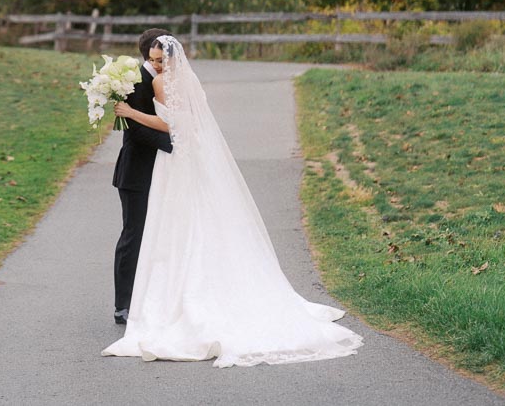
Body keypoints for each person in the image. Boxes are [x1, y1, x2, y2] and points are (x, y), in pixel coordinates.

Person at [104, 35, 363, 367]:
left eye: (159, 60)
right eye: (153, 60)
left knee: (176, 227)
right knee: (192, 223)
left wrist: (128, 112)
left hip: (176, 159)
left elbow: (172, 124)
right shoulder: (188, 79)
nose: (156, 65)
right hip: (188, 157)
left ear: (170, 59)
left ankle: (174, 297)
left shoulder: (161, 85)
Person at [111, 28, 173, 325]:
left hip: (163, 171)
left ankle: (151, 297)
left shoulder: (166, 78)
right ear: (150, 52)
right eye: (159, 57)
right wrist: (173, 145)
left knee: (160, 235)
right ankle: (123, 304)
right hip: (136, 171)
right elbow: (134, 131)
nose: (163, 62)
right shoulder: (134, 82)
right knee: (133, 235)